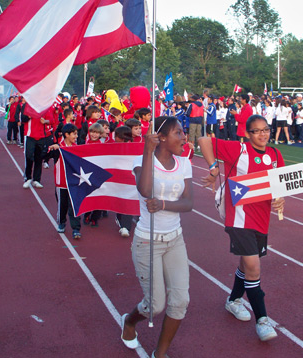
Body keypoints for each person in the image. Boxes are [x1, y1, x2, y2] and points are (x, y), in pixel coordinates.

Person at [198, 115, 285, 342]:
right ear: (247, 134)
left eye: (266, 130)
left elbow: (279, 186)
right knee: (254, 267)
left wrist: (280, 200)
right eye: (256, 131)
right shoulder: (238, 150)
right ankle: (263, 320)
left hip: (261, 219)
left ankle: (234, 300)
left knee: (246, 264)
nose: (263, 134)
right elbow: (204, 141)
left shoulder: (275, 155)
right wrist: (213, 167)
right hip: (238, 220)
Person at [121, 116, 193, 358]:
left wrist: (163, 204)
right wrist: (146, 150)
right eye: (178, 133)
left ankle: (159, 354)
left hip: (175, 240)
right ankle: (130, 321)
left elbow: (188, 203)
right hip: (147, 241)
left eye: (183, 132)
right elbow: (145, 191)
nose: (184, 137)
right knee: (155, 306)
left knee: (180, 301)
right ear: (162, 138)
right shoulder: (141, 161)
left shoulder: (184, 164)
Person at [47, 124, 82, 239]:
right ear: (66, 134)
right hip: (61, 183)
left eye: (77, 134)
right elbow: (45, 155)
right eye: (74, 134)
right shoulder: (58, 148)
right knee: (62, 205)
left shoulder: (77, 148)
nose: (76, 136)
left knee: (74, 206)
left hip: (74, 183)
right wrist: (51, 149)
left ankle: (76, 228)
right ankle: (62, 222)